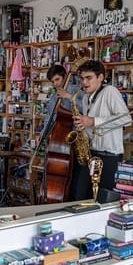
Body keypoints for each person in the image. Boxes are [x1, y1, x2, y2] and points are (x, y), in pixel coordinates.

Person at [73, 60, 131, 200]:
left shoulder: (110, 91)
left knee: (103, 200)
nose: (84, 83)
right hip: (92, 154)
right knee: (83, 197)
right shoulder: (87, 98)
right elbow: (92, 128)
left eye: (89, 78)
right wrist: (83, 128)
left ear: (100, 77)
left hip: (109, 157)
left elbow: (126, 119)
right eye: (82, 78)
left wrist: (93, 121)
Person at [42, 64, 85, 201]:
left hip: (78, 139)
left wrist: (69, 97)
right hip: (61, 140)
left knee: (77, 177)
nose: (55, 84)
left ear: (65, 77)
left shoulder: (78, 91)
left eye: (57, 80)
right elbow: (50, 118)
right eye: (53, 82)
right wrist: (43, 135)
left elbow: (87, 109)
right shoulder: (54, 97)